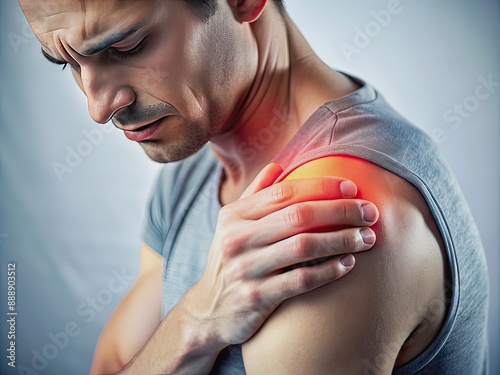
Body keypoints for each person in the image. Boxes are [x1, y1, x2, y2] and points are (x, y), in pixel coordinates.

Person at [18, 0, 489, 374]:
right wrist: (195, 320)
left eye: (128, 47)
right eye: (67, 64)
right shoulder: (193, 174)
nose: (98, 107)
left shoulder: (333, 213)